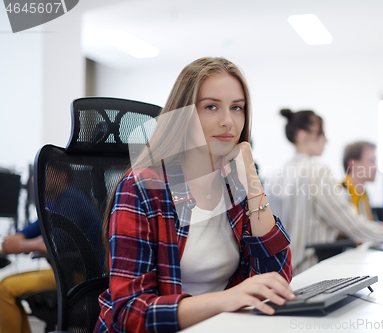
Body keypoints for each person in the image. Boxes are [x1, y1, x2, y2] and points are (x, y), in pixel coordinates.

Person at [94, 57, 293, 333]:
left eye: (237, 108)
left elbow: (277, 280)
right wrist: (224, 301)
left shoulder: (233, 186)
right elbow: (130, 313)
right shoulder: (142, 188)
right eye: (211, 107)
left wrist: (252, 181)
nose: (228, 121)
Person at [266, 109, 383, 274]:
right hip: (311, 270)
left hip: (282, 273)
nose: (325, 140)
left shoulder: (273, 177)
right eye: (321, 133)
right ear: (302, 136)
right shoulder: (317, 172)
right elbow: (352, 225)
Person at [0, 163, 102, 333]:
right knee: (6, 286)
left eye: (44, 174)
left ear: (61, 177)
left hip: (80, 277)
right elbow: (34, 228)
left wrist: (21, 245)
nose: (36, 179)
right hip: (66, 274)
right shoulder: (55, 203)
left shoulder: (70, 199)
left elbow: (56, 243)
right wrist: (18, 238)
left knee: (5, 289)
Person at [342, 141, 377, 220]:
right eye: (372, 161)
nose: (375, 167)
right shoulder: (340, 193)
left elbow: (370, 226)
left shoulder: (363, 194)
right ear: (353, 164)